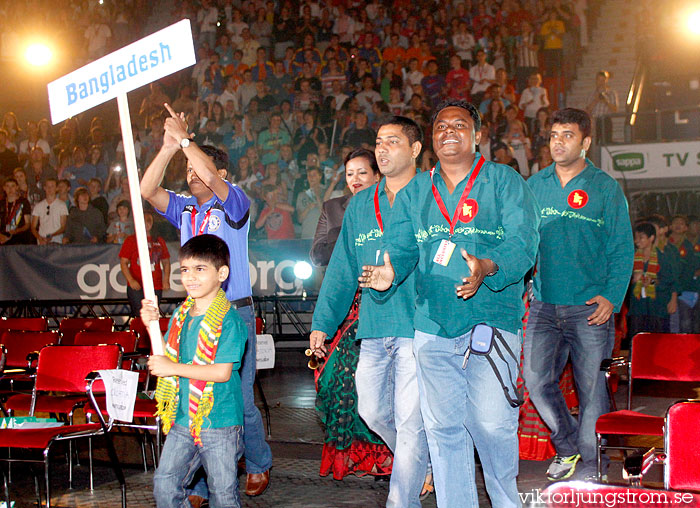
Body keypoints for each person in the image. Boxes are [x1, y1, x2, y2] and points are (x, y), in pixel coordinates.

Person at [360, 99, 540, 507]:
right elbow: (401, 246)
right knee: (442, 428)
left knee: (492, 424)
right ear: (431, 140)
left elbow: (524, 242)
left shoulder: (505, 181)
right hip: (433, 324)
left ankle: (506, 501)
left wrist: (489, 266)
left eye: (459, 126)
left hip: (490, 318)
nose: (448, 133)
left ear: (478, 136)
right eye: (440, 127)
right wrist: (389, 274)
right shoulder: (417, 190)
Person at [140, 103, 272, 501]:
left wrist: (186, 140)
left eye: (196, 166)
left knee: (238, 396)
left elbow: (211, 174)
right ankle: (196, 479)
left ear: (223, 176)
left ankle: (258, 461)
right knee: (188, 393)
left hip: (234, 313)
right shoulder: (185, 210)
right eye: (187, 169)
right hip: (194, 315)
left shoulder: (234, 206)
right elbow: (147, 191)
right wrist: (168, 147)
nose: (191, 173)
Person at [312, 119, 431, 506]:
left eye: (393, 142)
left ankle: (402, 500)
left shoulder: (432, 194)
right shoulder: (362, 204)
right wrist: (322, 324)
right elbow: (343, 268)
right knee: (373, 411)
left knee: (410, 419)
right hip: (374, 326)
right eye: (379, 142)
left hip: (420, 324)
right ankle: (423, 463)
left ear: (414, 149)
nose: (382, 149)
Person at [523, 108, 634, 482]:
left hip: (590, 308)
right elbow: (522, 243)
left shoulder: (605, 187)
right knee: (536, 381)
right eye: (554, 135)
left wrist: (611, 297)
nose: (558, 142)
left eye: (567, 135)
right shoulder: (534, 186)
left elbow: (622, 248)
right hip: (543, 304)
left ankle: (591, 467)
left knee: (593, 393)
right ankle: (568, 447)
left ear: (585, 142)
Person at [144, 234, 247, 508]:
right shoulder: (180, 316)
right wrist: (151, 325)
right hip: (182, 418)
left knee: (223, 495)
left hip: (221, 422)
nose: (190, 277)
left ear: (221, 273)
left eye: (200, 269)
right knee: (165, 486)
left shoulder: (230, 320)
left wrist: (172, 367)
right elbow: (166, 356)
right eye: (185, 270)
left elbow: (222, 372)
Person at [627, 221, 680, 336]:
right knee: (637, 339)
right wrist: (633, 280)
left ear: (651, 238)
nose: (637, 241)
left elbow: (668, 281)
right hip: (638, 307)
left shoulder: (662, 258)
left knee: (656, 340)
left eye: (641, 238)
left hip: (657, 307)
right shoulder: (631, 257)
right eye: (636, 238)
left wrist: (650, 282)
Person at [30, 178, 68, 244]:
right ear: (44, 188)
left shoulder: (62, 205)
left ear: (56, 188)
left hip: (56, 240)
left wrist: (51, 236)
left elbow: (63, 227)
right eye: (48, 186)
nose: (49, 188)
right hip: (41, 240)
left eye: (52, 186)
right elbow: (33, 227)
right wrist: (39, 238)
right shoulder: (38, 206)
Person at [1, 177, 33, 245]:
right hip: (3, 238)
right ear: (4, 188)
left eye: (13, 186)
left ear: (17, 187)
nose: (10, 189)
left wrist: (17, 231)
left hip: (20, 239)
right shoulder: (1, 203)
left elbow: (27, 224)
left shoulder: (24, 202)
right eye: (7, 186)